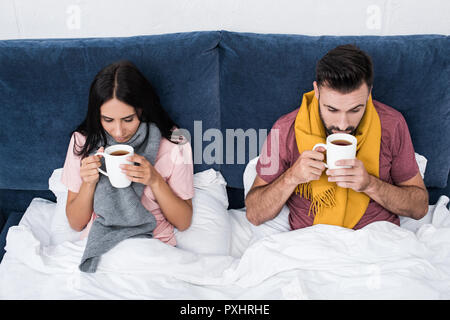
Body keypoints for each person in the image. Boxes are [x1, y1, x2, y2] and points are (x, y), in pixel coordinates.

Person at [246, 44, 428, 230]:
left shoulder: (392, 124)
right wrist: (292, 177)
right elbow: (254, 213)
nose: (342, 124)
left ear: (369, 93)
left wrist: (370, 184)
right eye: (332, 109)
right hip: (310, 242)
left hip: (375, 239)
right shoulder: (285, 129)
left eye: (355, 109)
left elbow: (419, 207)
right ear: (316, 91)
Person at [62, 60, 194, 246]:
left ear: (142, 109)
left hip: (153, 244)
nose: (118, 131)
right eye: (107, 120)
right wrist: (88, 184)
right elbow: (76, 224)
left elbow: (183, 222)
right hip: (101, 245)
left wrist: (155, 180)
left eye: (128, 119)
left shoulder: (175, 143)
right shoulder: (83, 142)